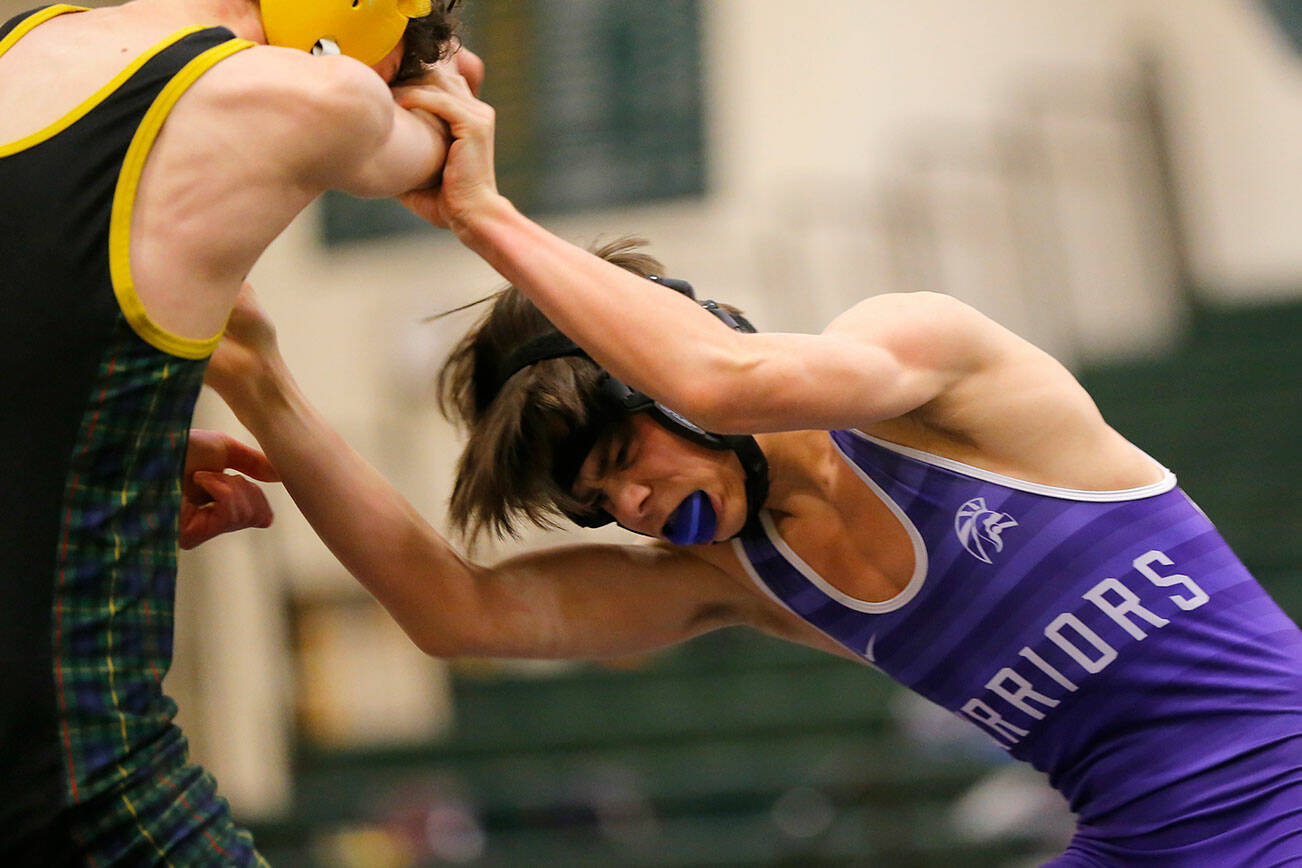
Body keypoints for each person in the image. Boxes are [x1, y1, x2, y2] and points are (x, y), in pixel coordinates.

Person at [205, 67, 1302, 864]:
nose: (630, 505)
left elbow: (728, 377)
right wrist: (265, 385)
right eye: (598, 502)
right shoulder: (738, 574)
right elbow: (458, 616)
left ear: (668, 371)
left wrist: (483, 216)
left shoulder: (931, 370)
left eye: (623, 454)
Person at [0, 0, 482, 864]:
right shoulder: (312, 97)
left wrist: (90, 437)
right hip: (75, 780)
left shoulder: (22, 47)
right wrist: (439, 76)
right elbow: (449, 148)